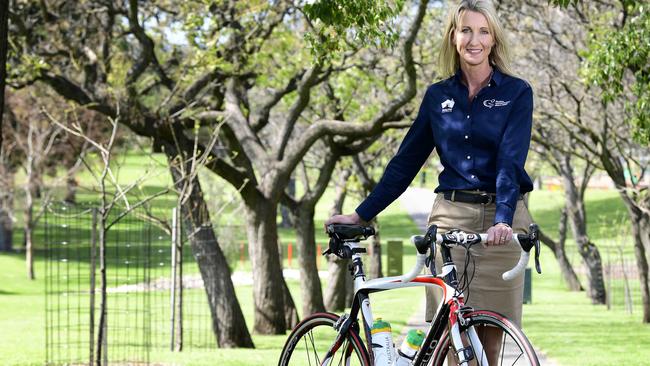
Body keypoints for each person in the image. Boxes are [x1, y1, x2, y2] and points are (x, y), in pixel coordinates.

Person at [325, 0, 534, 362]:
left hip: (503, 224)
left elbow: (510, 161)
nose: (475, 39)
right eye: (466, 30)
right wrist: (362, 215)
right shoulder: (438, 96)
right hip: (451, 217)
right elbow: (405, 163)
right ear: (453, 37)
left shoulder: (516, 93)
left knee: (492, 339)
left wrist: (502, 217)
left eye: (483, 31)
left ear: (494, 39)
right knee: (452, 339)